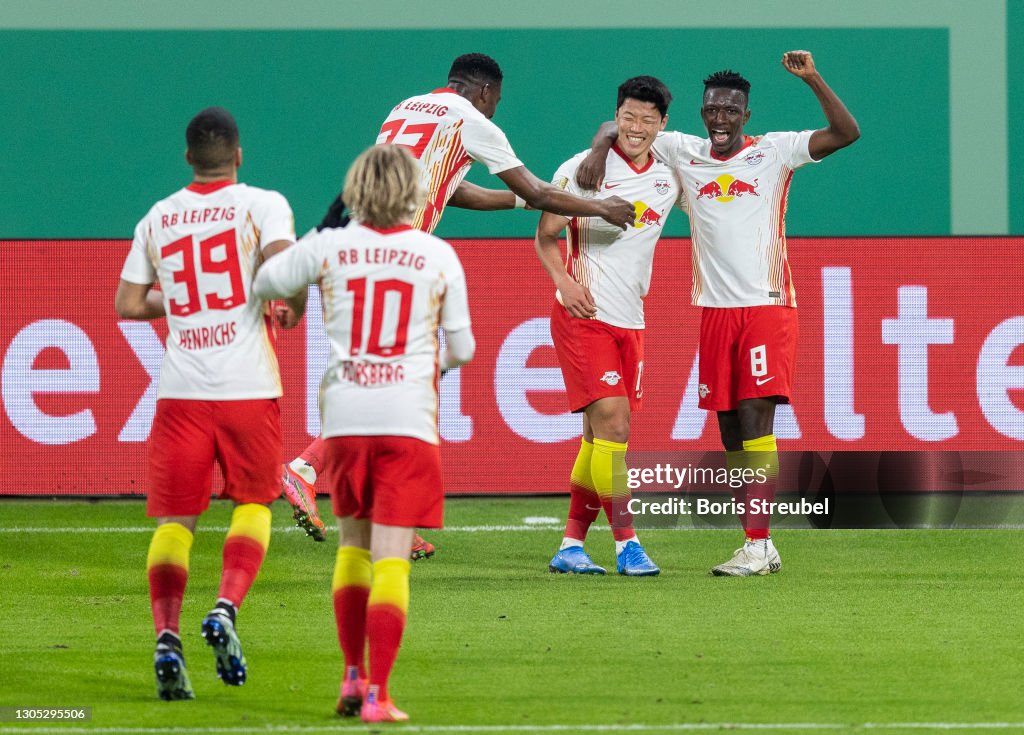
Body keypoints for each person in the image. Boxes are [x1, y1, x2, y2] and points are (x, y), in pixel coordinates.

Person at [282, 52, 637, 557]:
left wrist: (518, 202)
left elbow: (448, 189)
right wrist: (598, 206)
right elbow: (537, 188)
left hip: (352, 255)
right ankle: (307, 467)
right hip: (396, 262)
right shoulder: (473, 121)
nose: (494, 112)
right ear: (487, 93)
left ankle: (390, 520)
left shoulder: (406, 108)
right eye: (496, 104)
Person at [577, 50, 859, 576]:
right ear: (702, 112)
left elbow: (845, 132)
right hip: (714, 311)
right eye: (713, 109)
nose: (721, 117)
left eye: (731, 110)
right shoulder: (683, 150)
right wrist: (597, 151)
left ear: (745, 116)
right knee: (730, 430)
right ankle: (757, 541)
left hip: (766, 304)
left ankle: (758, 544)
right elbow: (614, 127)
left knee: (756, 417)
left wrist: (814, 78)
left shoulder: (774, 152)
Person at [254, 144, 474, 723]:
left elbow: (266, 279)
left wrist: (294, 300)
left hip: (345, 419)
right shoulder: (436, 253)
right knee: (392, 559)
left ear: (354, 192)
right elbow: (466, 348)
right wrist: (426, 366)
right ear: (414, 193)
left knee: (352, 547)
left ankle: (351, 679)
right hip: (406, 421)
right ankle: (379, 693)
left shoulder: (329, 247)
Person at [116, 107, 302, 700]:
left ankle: (167, 637)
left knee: (177, 521)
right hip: (249, 387)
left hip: (182, 392)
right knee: (254, 503)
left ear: (187, 158)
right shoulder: (263, 203)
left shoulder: (159, 216)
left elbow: (127, 302)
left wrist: (182, 307)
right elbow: (283, 271)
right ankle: (224, 608)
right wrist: (283, 305)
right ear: (238, 155)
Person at [538, 76, 677, 577]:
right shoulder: (581, 169)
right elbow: (546, 235)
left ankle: (571, 546)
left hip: (631, 319)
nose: (635, 128)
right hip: (584, 314)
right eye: (627, 117)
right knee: (616, 424)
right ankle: (627, 544)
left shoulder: (669, 176)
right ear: (616, 115)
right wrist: (564, 282)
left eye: (646, 120)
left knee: (598, 439)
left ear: (662, 125)